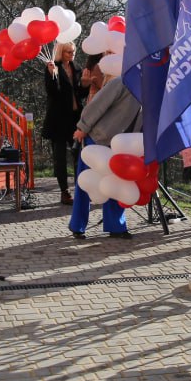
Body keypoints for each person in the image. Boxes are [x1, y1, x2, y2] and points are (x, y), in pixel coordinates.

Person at [69, 75, 141, 240]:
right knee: (85, 183)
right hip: (98, 138)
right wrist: (83, 127)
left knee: (117, 183)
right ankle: (77, 225)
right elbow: (98, 105)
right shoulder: (121, 82)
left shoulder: (150, 91)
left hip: (122, 144)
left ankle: (116, 225)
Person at [42, 42, 86, 205]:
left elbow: (80, 93)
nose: (71, 54)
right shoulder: (53, 67)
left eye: (73, 51)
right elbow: (52, 92)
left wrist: (86, 85)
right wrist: (52, 75)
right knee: (60, 157)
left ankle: (80, 188)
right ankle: (64, 191)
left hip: (75, 118)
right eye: (68, 52)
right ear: (61, 52)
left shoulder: (77, 68)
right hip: (58, 119)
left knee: (78, 155)